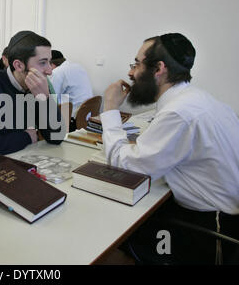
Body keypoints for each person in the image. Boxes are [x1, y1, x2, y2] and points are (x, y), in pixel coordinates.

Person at [101, 33, 239, 264]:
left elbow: (126, 168)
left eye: (136, 64)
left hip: (206, 229)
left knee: (113, 231)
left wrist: (111, 109)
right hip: (217, 214)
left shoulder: (179, 112)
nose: (131, 73)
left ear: (158, 69)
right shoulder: (196, 98)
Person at [0, 31, 65, 155]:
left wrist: (45, 99)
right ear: (19, 65)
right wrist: (27, 137)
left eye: (49, 62)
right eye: (42, 62)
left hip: (18, 158)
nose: (49, 71)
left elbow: (56, 137)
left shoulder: (34, 86)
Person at [51, 50, 94, 120]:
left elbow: (52, 97)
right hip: (88, 113)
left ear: (52, 64)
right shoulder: (77, 66)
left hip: (74, 118)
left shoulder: (57, 71)